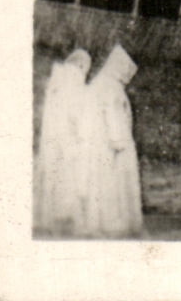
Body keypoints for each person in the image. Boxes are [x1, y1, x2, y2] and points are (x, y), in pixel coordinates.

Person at [82, 45, 144, 236]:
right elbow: (115, 118)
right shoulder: (113, 88)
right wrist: (120, 142)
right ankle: (114, 223)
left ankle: (98, 222)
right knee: (113, 184)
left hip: (94, 143)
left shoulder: (97, 83)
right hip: (110, 144)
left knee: (98, 183)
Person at [34, 47, 91, 234]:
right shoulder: (74, 79)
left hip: (54, 136)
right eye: (85, 68)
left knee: (55, 173)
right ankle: (68, 217)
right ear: (81, 65)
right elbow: (76, 112)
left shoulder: (58, 78)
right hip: (68, 135)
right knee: (71, 175)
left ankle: (53, 216)